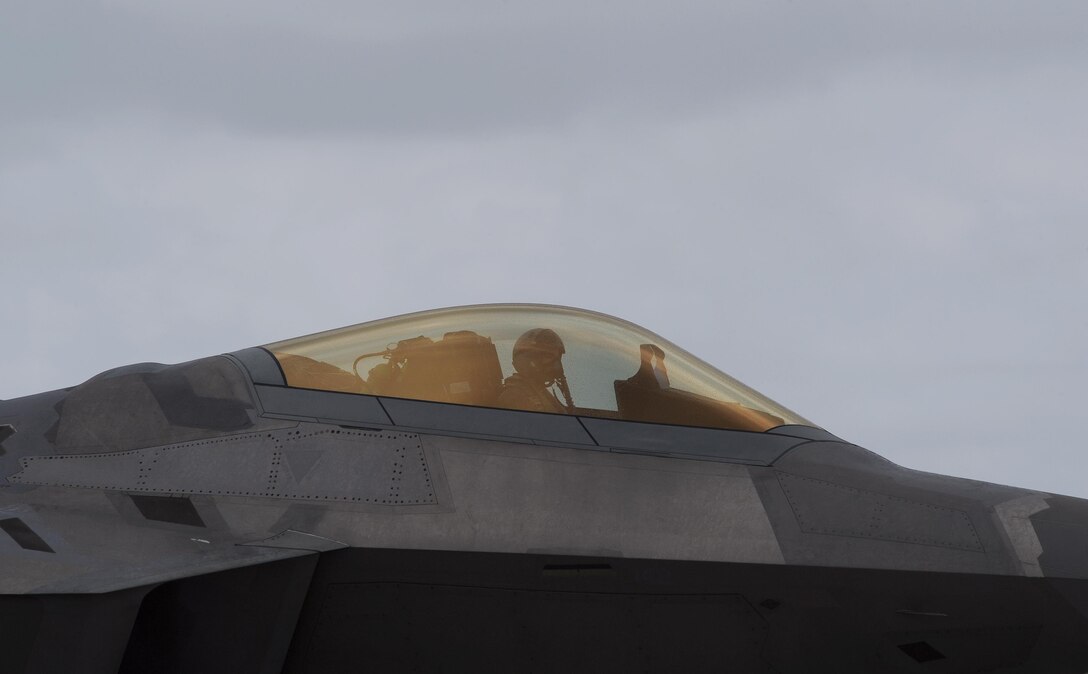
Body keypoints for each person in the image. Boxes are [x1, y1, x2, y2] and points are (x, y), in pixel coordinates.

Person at [496, 328, 573, 413]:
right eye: (549, 356)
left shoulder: (540, 393)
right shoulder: (515, 396)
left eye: (557, 358)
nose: (556, 364)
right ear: (528, 358)